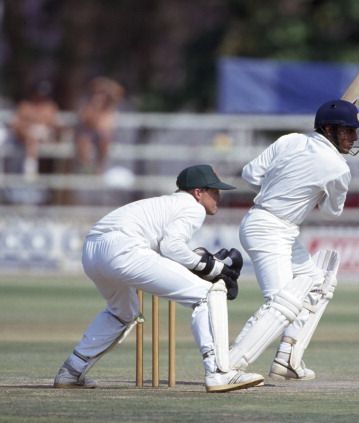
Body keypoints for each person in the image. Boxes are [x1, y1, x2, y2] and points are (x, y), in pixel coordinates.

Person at [53, 164, 264, 392]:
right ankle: (219, 372)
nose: (218, 196)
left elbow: (165, 251)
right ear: (198, 192)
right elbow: (172, 246)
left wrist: (200, 262)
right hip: (125, 249)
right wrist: (208, 266)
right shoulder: (193, 208)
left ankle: (71, 371)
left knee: (122, 313)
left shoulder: (164, 204)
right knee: (207, 295)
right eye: (214, 191)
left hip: (92, 251)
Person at [228, 99, 359, 380]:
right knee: (281, 305)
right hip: (270, 230)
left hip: (269, 224)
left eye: (354, 131)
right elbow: (332, 213)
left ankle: (288, 358)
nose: (353, 138)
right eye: (348, 130)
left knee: (317, 283)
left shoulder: (290, 140)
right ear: (328, 129)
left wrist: (281, 182)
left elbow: (250, 174)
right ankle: (228, 365)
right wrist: (311, 192)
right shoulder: (338, 168)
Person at [9, 80, 61, 181]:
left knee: (33, 137)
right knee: (30, 137)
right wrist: (27, 126)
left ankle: (30, 168)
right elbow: (15, 123)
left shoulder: (50, 107)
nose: (40, 97)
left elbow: (55, 125)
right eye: (38, 93)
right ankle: (30, 168)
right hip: (24, 137)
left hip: (44, 135)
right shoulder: (25, 106)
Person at [73, 77, 124, 174]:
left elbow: (119, 92)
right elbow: (87, 120)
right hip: (88, 135)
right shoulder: (87, 105)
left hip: (101, 135)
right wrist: (95, 106)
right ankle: (86, 167)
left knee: (105, 139)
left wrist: (106, 85)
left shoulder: (109, 106)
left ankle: (99, 167)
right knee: (83, 140)